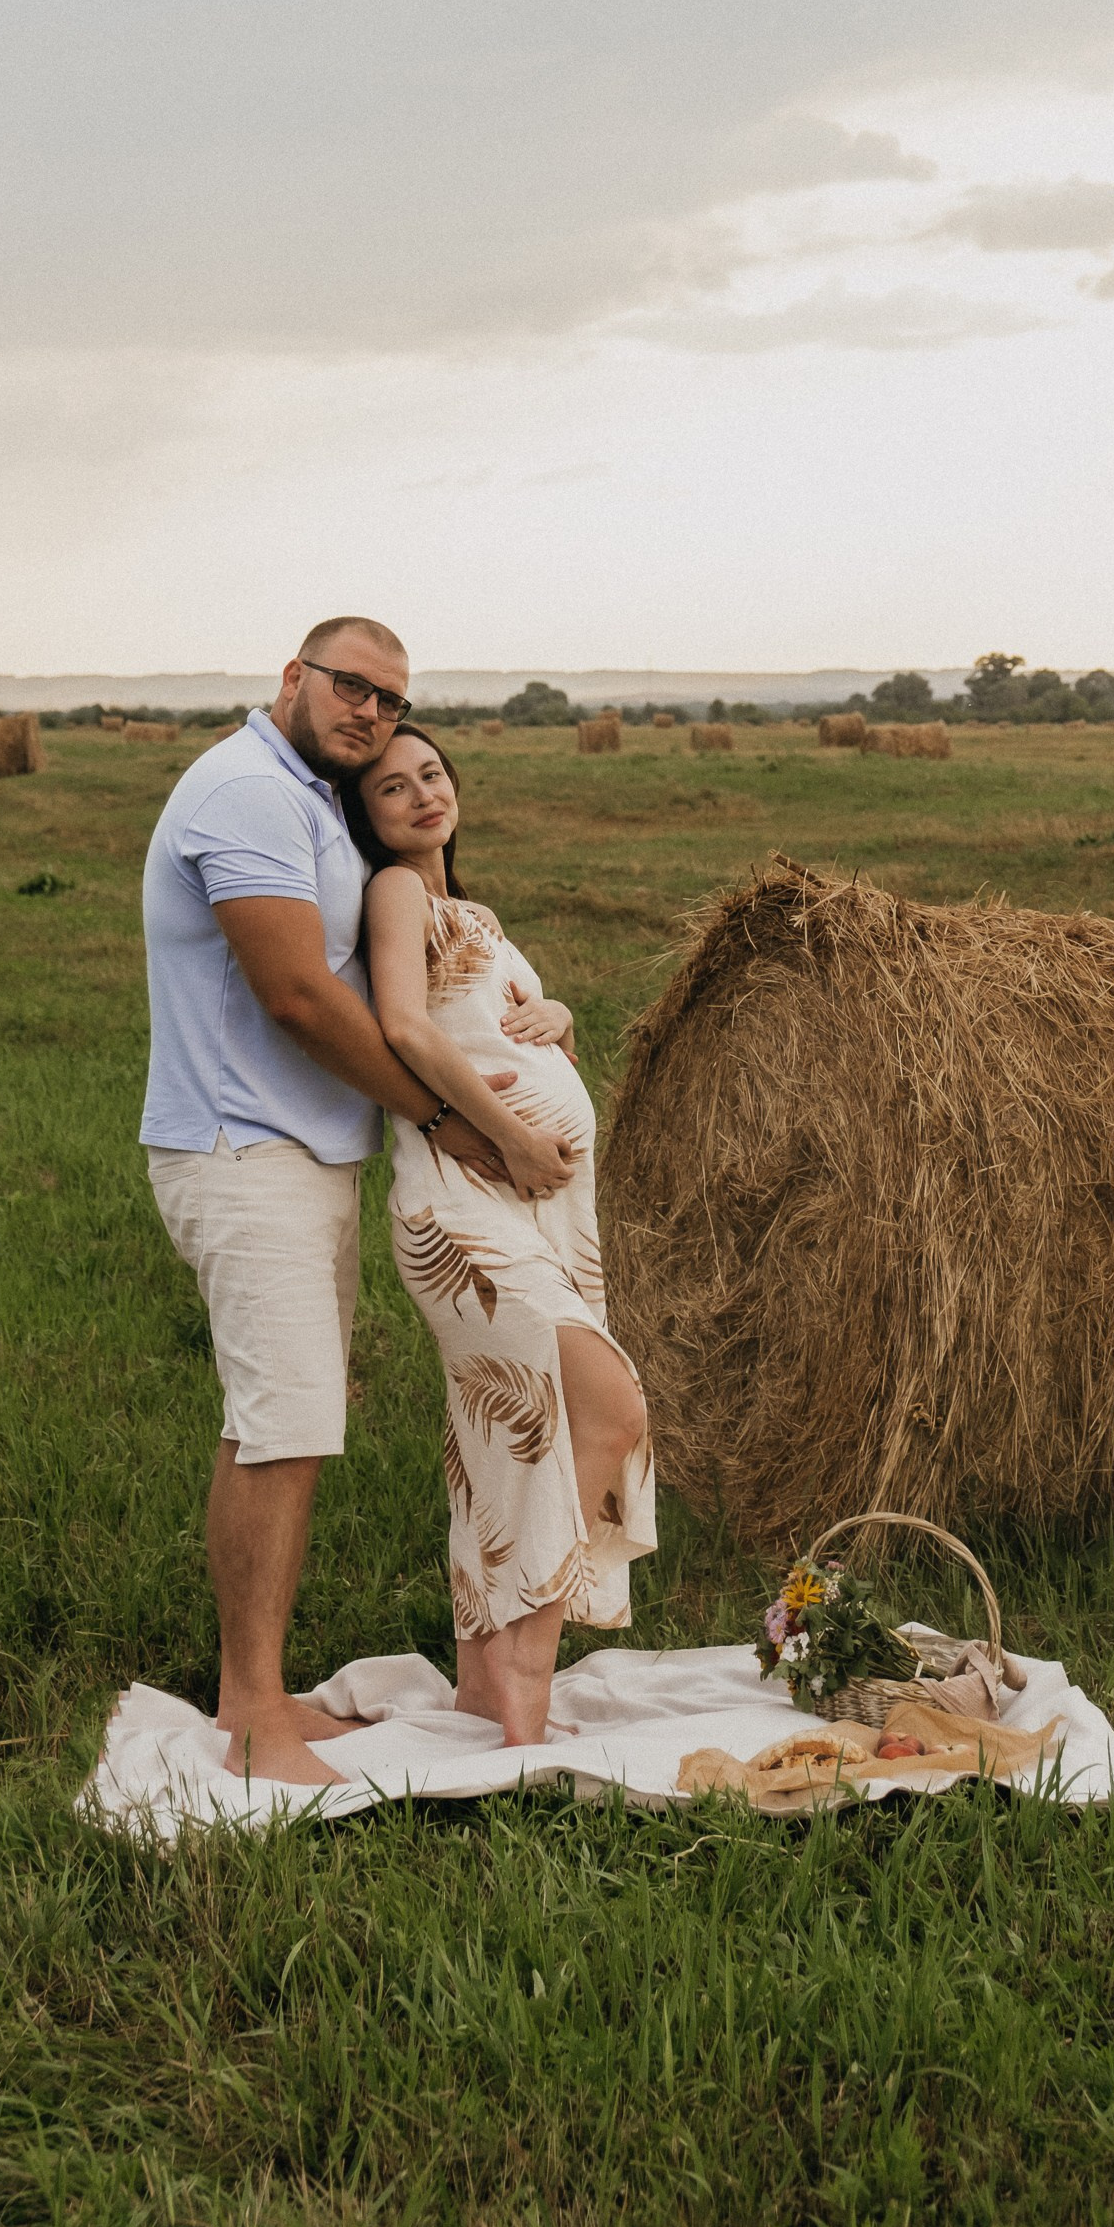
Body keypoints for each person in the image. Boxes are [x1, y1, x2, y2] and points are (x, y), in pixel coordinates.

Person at [140, 617, 577, 1788]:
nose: (369, 711)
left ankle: (254, 1700)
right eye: (349, 686)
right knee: (281, 1429)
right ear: (292, 676)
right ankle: (250, 1725)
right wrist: (445, 1121)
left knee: (287, 1421)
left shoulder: (305, 799)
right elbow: (292, 994)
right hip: (243, 1152)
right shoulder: (244, 790)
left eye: (389, 698)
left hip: (301, 1157)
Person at [344, 725, 655, 1747]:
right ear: (370, 814)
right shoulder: (395, 892)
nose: (421, 795)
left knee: (502, 1442)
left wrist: (556, 1012)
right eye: (392, 787)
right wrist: (513, 1133)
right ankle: (525, 1677)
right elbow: (405, 1026)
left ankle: (486, 1680)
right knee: (599, 1406)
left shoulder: (468, 909)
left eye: (430, 774)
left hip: (518, 1212)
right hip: (462, 1209)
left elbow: (490, 1017)